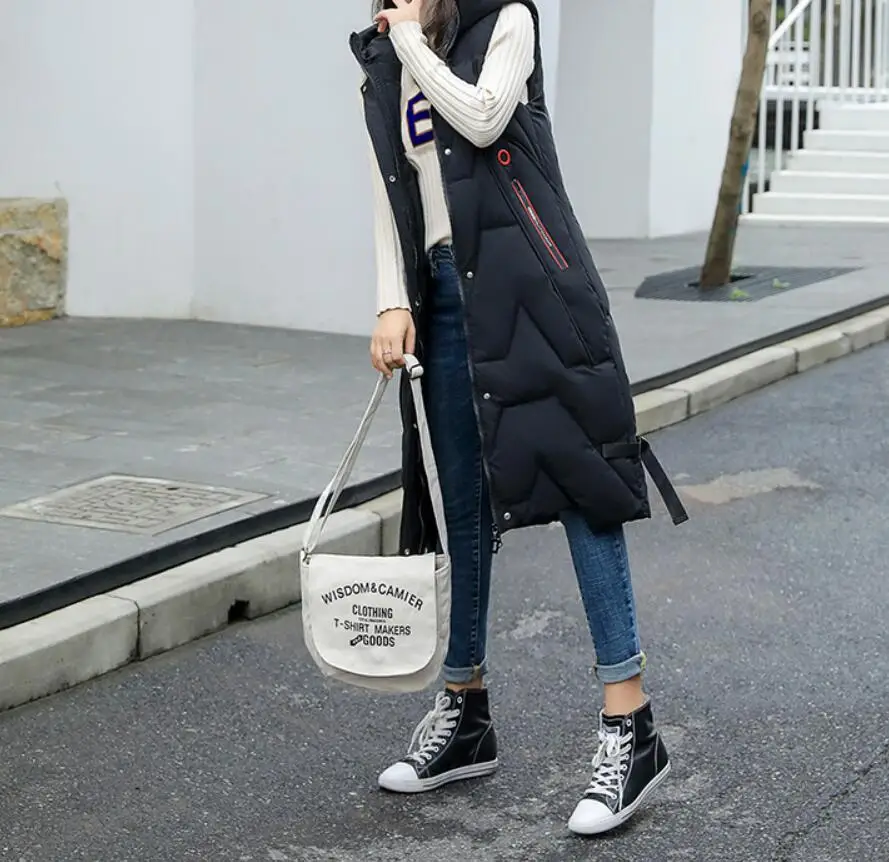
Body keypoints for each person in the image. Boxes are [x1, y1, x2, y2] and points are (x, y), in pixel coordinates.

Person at [353, 0, 687, 836]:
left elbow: (481, 116)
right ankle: (464, 711)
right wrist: (392, 301)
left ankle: (630, 724)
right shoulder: (389, 57)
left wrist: (407, 44)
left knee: (579, 483)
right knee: (462, 503)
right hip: (443, 296)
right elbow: (390, 185)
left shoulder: (505, 19)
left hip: (531, 285)